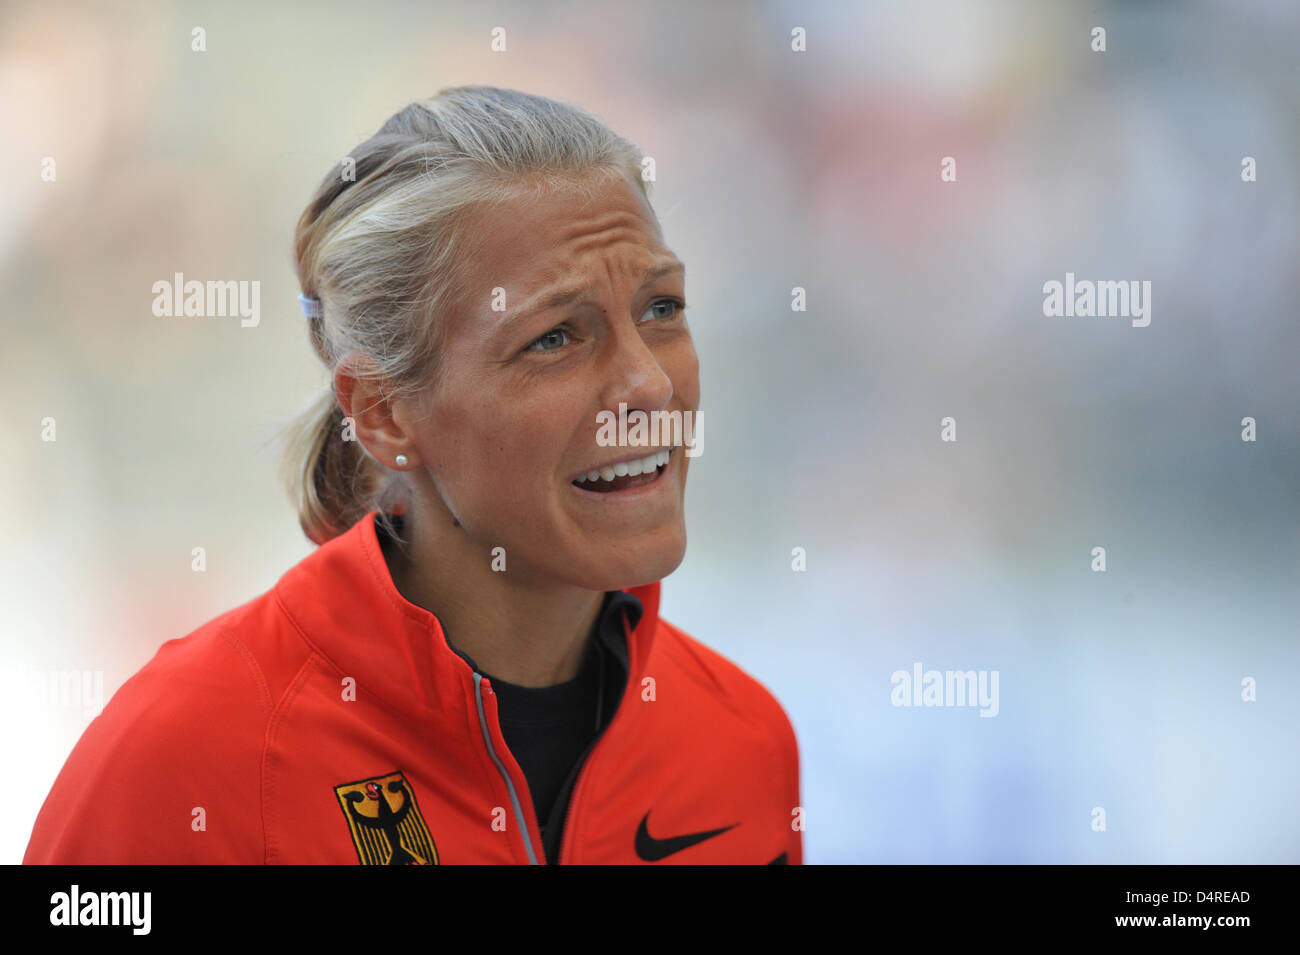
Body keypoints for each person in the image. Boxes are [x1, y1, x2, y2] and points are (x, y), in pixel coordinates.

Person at [24, 86, 802, 864]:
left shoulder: (741, 738)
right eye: (556, 336)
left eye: (661, 308)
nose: (649, 386)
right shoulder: (189, 755)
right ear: (385, 413)